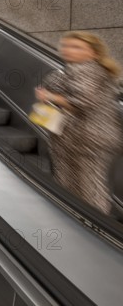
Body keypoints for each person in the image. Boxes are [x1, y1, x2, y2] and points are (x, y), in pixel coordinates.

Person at [35, 31, 123, 215]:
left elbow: (83, 101)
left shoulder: (88, 69)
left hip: (87, 138)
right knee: (74, 182)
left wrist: (50, 96)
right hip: (76, 137)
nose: (68, 50)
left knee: (88, 186)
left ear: (94, 53)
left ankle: (96, 225)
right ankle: (79, 219)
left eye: (76, 47)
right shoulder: (75, 69)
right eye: (66, 45)